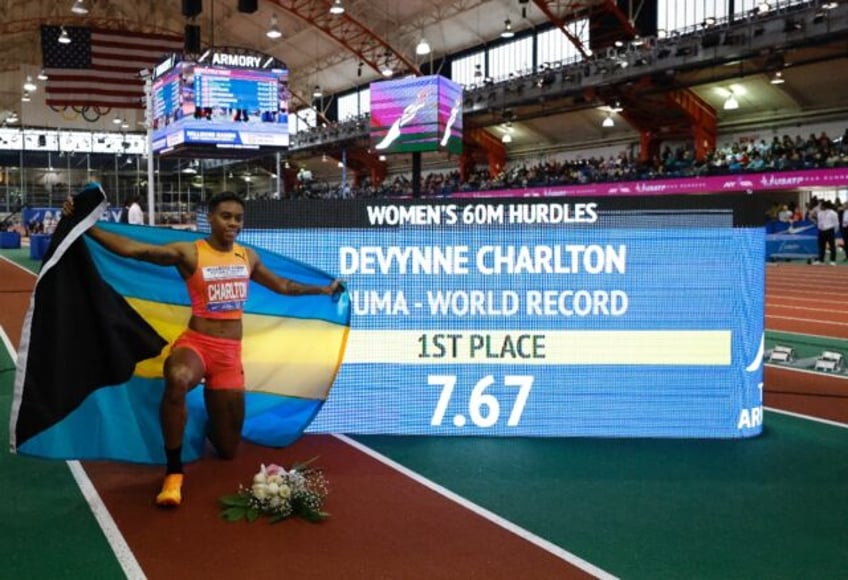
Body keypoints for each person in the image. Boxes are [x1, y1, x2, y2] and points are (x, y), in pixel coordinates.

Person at [63, 191, 341, 507]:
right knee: (178, 378)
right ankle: (174, 470)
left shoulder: (247, 257)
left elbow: (284, 286)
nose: (232, 223)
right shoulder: (190, 253)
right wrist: (87, 227)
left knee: (227, 450)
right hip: (196, 345)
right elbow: (138, 251)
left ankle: (205, 418)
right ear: (210, 217)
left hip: (228, 356)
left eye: (238, 217)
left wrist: (324, 289)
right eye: (225, 216)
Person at [814, 200, 839, 265]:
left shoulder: (833, 213)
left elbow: (836, 224)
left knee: (832, 246)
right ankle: (821, 260)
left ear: (825, 206)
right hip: (821, 231)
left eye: (821, 205)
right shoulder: (819, 213)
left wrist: (834, 232)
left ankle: (832, 261)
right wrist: (819, 229)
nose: (820, 207)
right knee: (821, 246)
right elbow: (819, 222)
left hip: (830, 230)